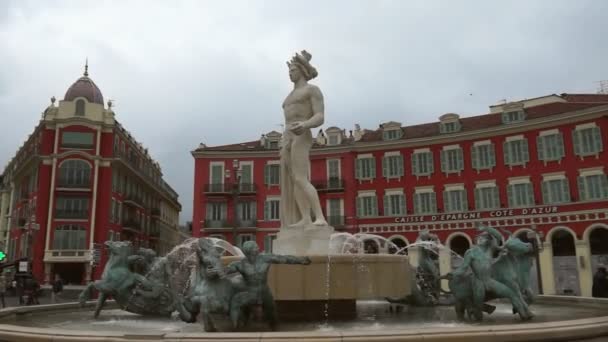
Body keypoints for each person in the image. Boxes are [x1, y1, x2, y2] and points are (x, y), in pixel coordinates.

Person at [280, 50, 328, 229]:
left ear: (301, 70)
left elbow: (320, 116)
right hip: (288, 136)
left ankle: (320, 217)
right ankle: (306, 218)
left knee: (300, 178)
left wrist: (305, 125)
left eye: (292, 70)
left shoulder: (312, 90)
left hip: (302, 134)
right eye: (289, 70)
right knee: (294, 180)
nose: (289, 73)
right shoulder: (289, 96)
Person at [226, 241, 311, 330]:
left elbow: (284, 258)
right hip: (250, 292)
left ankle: (274, 327)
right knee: (235, 301)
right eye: (255, 247)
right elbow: (227, 270)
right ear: (248, 251)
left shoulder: (265, 258)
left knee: (272, 312)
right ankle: (235, 327)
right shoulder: (240, 264)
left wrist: (301, 260)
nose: (258, 248)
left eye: (257, 246)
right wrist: (216, 271)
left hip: (264, 291)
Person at [452, 230, 533, 320]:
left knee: (511, 293)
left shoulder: (489, 250)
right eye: (479, 238)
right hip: (478, 282)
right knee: (478, 305)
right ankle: (478, 321)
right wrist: (456, 273)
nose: (480, 239)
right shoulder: (471, 252)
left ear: (488, 241)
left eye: (483, 238)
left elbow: (498, 238)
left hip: (489, 281)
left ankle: (524, 315)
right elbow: (464, 267)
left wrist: (500, 257)